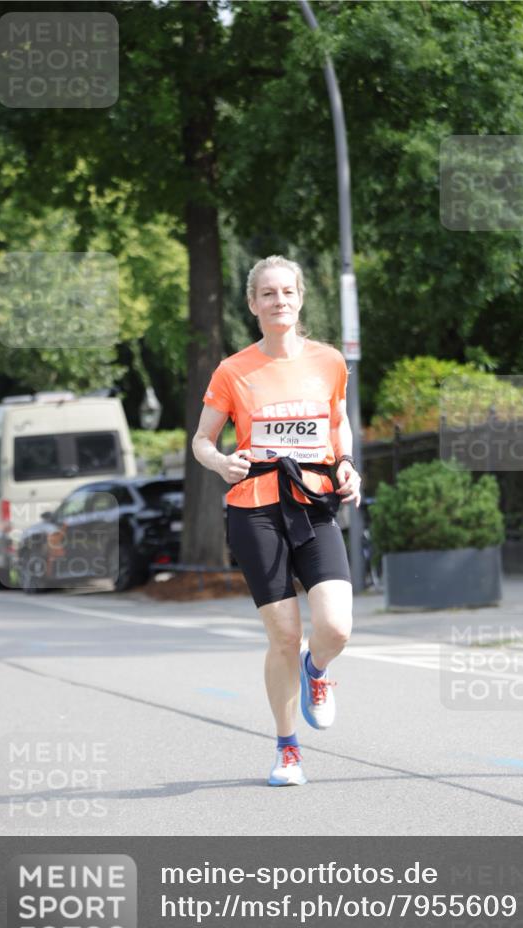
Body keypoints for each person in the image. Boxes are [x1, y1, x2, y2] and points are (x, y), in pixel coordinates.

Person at [192, 254, 362, 786]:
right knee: (285, 636)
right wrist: (221, 462)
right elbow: (201, 440)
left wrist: (347, 463)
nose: (278, 301)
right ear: (253, 304)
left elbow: (338, 422)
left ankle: (318, 670)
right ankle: (288, 750)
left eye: (287, 291)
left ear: (300, 298)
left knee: (336, 627)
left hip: (313, 501)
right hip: (255, 510)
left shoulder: (328, 361)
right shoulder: (233, 370)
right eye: (267, 293)